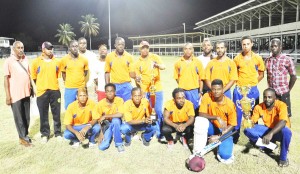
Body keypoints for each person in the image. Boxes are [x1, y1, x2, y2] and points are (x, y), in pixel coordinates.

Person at [244, 88, 292, 167]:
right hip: (267, 130)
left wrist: (270, 134)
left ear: (275, 97)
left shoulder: (281, 105)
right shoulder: (258, 107)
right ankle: (270, 146)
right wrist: (247, 118)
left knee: (287, 132)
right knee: (247, 130)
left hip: (279, 131)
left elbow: (283, 122)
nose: (267, 99)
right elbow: (252, 123)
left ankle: (283, 158)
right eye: (265, 97)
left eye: (270, 97)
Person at [193, 79, 237, 164]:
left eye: (219, 89)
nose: (216, 92)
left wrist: (219, 136)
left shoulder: (230, 104)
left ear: (223, 89)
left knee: (225, 156)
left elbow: (232, 125)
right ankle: (197, 151)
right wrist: (217, 117)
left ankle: (218, 143)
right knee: (199, 120)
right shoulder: (207, 96)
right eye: (214, 89)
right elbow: (201, 113)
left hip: (224, 130)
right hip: (212, 127)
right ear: (211, 89)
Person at [232, 35, 265, 143]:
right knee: (237, 113)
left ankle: (253, 137)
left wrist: (253, 84)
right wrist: (239, 86)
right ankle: (235, 134)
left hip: (252, 90)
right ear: (241, 45)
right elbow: (234, 74)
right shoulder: (237, 58)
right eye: (243, 44)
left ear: (252, 44)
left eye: (247, 44)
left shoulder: (258, 58)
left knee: (253, 113)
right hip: (239, 90)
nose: (245, 46)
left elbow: (261, 74)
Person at [132, 41, 166, 139]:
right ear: (140, 49)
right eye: (143, 48)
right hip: (145, 90)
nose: (145, 49)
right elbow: (137, 78)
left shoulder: (155, 57)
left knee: (158, 110)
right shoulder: (138, 62)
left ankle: (160, 132)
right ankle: (153, 129)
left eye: (146, 47)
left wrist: (157, 65)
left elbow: (164, 67)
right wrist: (139, 86)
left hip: (157, 88)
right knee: (151, 111)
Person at [31, 42, 62, 143]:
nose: (51, 50)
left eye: (52, 48)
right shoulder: (36, 62)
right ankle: (45, 134)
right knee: (43, 114)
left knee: (56, 113)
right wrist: (41, 86)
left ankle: (57, 133)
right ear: (43, 50)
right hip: (42, 92)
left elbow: (58, 76)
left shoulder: (57, 62)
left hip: (55, 91)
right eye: (48, 48)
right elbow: (34, 78)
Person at [3, 41, 33, 147]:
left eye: (22, 47)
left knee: (27, 117)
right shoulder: (9, 61)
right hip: (15, 95)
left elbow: (28, 75)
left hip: (26, 93)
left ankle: (25, 135)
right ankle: (23, 139)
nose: (21, 50)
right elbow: (6, 79)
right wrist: (7, 96)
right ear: (14, 49)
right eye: (18, 48)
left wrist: (31, 88)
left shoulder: (25, 59)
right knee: (19, 118)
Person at [265, 38, 297, 117]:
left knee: (285, 117)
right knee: (272, 116)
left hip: (283, 94)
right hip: (272, 95)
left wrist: (288, 90)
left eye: (275, 46)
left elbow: (293, 76)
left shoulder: (287, 59)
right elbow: (268, 76)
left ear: (280, 47)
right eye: (272, 46)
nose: (273, 48)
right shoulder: (267, 60)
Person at [92, 83, 125, 152]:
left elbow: (120, 114)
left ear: (115, 92)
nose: (110, 93)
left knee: (115, 120)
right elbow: (98, 120)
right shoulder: (100, 104)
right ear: (105, 93)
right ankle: (112, 132)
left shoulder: (119, 100)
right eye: (107, 91)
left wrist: (105, 116)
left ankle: (119, 143)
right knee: (102, 147)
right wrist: (101, 132)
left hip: (117, 123)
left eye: (111, 91)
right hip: (106, 125)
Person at [174, 43, 205, 115]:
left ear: (193, 50)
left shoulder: (198, 62)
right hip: (182, 91)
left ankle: (194, 125)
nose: (188, 51)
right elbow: (176, 77)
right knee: (183, 110)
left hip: (194, 91)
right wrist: (183, 85)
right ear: (183, 50)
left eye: (190, 49)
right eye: (186, 49)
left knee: (194, 110)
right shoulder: (178, 63)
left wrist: (200, 92)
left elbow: (201, 78)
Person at [61, 40, 89, 109]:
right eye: (73, 46)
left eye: (76, 46)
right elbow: (63, 73)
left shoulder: (84, 59)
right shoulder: (64, 59)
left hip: (81, 87)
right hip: (69, 88)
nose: (75, 48)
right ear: (69, 48)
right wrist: (68, 82)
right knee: (69, 108)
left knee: (82, 108)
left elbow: (85, 72)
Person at [105, 37, 134, 101]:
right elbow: (107, 72)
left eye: (122, 44)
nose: (121, 46)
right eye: (119, 44)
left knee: (127, 106)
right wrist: (107, 86)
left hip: (126, 86)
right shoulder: (109, 56)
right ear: (115, 45)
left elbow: (132, 73)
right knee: (116, 107)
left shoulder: (129, 57)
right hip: (115, 86)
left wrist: (137, 76)